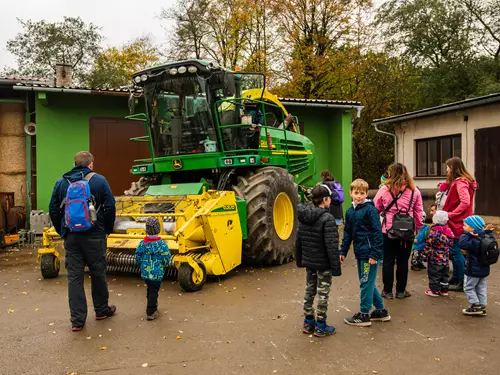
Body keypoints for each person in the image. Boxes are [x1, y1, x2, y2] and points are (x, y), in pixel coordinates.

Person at [49, 151, 116, 331]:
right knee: (98, 273)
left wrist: (63, 231)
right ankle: (101, 310)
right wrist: (107, 229)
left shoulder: (61, 182)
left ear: (74, 163)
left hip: (72, 237)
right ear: (91, 164)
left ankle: (77, 321)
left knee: (75, 278)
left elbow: (53, 210)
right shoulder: (100, 181)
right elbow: (110, 206)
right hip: (95, 236)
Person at [340, 179, 390, 327]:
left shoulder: (370, 210)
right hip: (360, 253)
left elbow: (377, 233)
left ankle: (364, 314)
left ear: (367, 194)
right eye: (356, 193)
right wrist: (342, 250)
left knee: (365, 282)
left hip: (370, 255)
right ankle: (381, 311)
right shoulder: (349, 212)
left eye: (362, 193)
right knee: (367, 281)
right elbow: (348, 233)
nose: (359, 196)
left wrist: (374, 254)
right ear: (350, 193)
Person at [296, 184, 341, 337]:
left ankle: (308, 322)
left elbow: (299, 240)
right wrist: (336, 267)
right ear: (325, 200)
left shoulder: (303, 216)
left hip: (309, 262)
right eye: (329, 199)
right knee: (323, 293)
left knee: (309, 290)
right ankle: (321, 325)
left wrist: (300, 260)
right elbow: (331, 245)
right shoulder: (327, 218)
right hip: (323, 264)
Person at [374, 163, 424, 299]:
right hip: (407, 231)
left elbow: (375, 207)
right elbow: (418, 212)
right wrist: (418, 228)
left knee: (388, 261)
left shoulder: (384, 190)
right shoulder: (414, 191)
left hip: (388, 230)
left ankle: (387, 291)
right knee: (403, 261)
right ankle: (401, 291)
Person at [442, 157, 478, 291]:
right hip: (462, 221)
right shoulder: (465, 181)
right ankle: (456, 278)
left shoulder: (460, 183)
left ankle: (462, 281)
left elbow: (465, 202)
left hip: (457, 222)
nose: (446, 170)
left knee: (456, 251)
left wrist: (451, 214)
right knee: (456, 250)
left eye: (448, 167)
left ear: (453, 168)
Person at [135, 217, 171, 321]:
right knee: (154, 290)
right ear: (158, 229)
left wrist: (141, 265)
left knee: (150, 288)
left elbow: (138, 256)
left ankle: (151, 302)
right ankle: (151, 311)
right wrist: (164, 265)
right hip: (157, 273)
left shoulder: (142, 243)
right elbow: (166, 257)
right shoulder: (162, 245)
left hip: (146, 273)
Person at [459, 216, 494, 316]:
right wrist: (485, 231)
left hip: (473, 269)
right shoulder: (487, 237)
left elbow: (462, 243)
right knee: (481, 287)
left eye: (465, 226)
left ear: (473, 228)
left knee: (469, 287)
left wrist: (467, 234)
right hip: (484, 268)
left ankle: (475, 306)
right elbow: (488, 235)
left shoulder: (474, 240)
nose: (463, 227)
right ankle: (482, 305)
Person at [422, 211, 454, 297]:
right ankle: (444, 290)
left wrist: (424, 255)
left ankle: (434, 290)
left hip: (435, 258)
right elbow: (451, 243)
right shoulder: (449, 231)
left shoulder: (433, 232)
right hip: (445, 258)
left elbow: (428, 245)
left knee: (434, 275)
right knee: (445, 275)